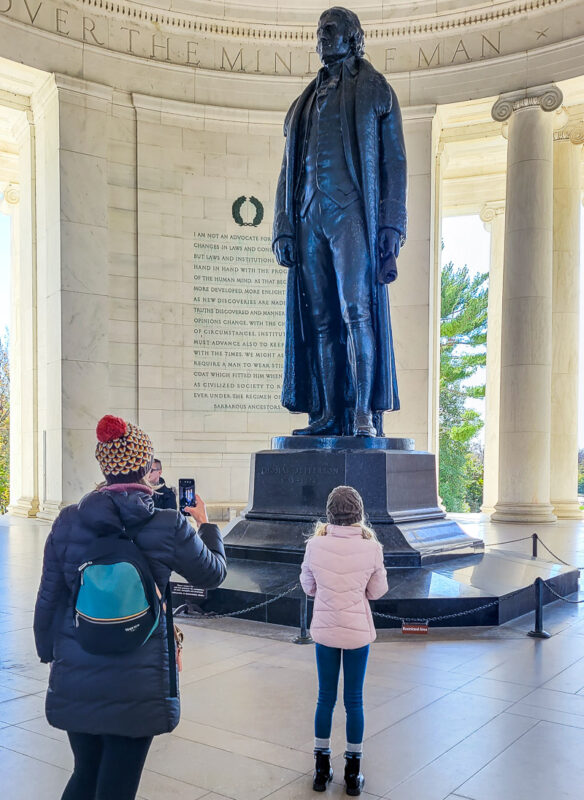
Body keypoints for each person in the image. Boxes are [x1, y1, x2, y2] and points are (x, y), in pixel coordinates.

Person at [33, 414, 227, 800]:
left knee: (85, 773)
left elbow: (48, 598)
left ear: (104, 467)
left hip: (78, 665)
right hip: (139, 676)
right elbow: (212, 574)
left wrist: (48, 653)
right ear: (146, 468)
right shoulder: (170, 524)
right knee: (118, 785)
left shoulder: (68, 521)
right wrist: (205, 525)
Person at [272, 6, 407, 437]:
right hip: (309, 213)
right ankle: (330, 415)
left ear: (353, 37)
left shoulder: (375, 89)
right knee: (321, 320)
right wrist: (283, 225)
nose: (322, 37)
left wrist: (390, 224)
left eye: (330, 30)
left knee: (356, 312)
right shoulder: (303, 103)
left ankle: (364, 413)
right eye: (319, 31)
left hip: (352, 212)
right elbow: (287, 170)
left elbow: (395, 163)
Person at [300, 485, 388, 796]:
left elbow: (308, 587)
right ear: (359, 515)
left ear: (329, 514)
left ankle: (321, 771)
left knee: (325, 699)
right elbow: (377, 592)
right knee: (354, 701)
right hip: (356, 633)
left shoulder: (314, 545)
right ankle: (353, 775)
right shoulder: (372, 548)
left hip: (324, 630)